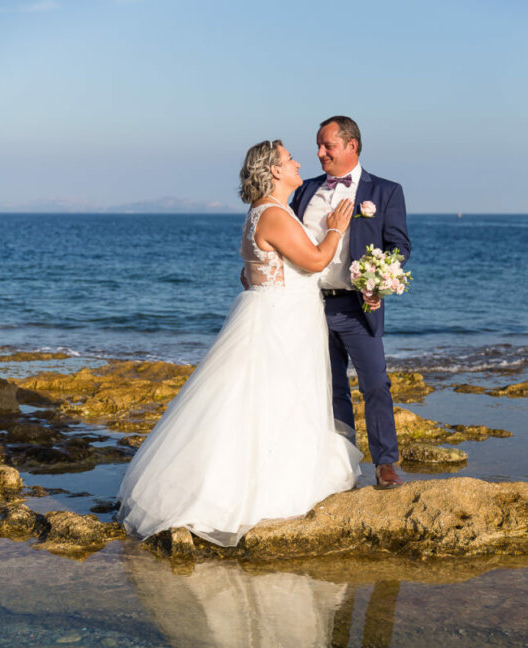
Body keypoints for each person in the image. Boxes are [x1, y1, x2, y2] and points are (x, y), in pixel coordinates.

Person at [117, 139, 362, 546]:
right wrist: (336, 229)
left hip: (278, 318)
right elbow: (317, 261)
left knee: (265, 400)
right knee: (277, 401)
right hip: (282, 324)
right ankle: (261, 493)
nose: (299, 162)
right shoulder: (275, 215)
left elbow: (249, 275)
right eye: (289, 159)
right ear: (274, 171)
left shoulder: (262, 212)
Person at [292, 116, 411, 488]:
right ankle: (343, 461)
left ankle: (385, 463)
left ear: (351, 146)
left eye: (327, 145)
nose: (319, 152)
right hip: (309, 305)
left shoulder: (386, 191)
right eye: (319, 145)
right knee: (331, 387)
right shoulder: (306, 190)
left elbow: (399, 247)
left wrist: (380, 281)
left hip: (359, 306)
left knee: (375, 383)